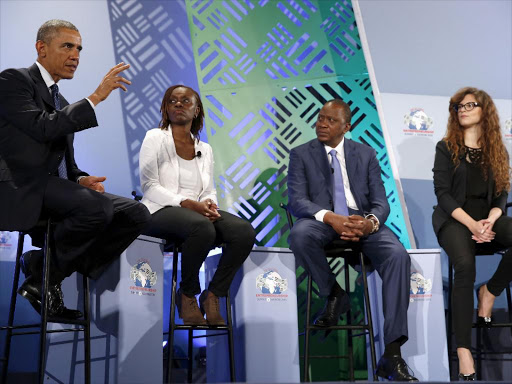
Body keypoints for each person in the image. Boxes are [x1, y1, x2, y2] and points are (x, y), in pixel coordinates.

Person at [0, 20, 151, 319]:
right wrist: (96, 97)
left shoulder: (63, 101)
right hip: (22, 186)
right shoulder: (13, 81)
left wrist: (80, 178)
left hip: (53, 189)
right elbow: (42, 128)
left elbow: (63, 162)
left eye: (79, 48)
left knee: (136, 214)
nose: (76, 55)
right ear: (41, 48)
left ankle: (45, 272)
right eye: (67, 46)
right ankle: (46, 276)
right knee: (96, 210)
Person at [287, 99, 417, 381]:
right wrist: (331, 217)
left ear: (346, 126)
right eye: (320, 118)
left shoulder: (366, 153)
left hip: (361, 222)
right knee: (298, 234)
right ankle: (334, 293)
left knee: (397, 255)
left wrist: (369, 224)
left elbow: (381, 202)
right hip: (323, 222)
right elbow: (297, 202)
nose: (322, 123)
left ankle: (392, 354)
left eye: (330, 120)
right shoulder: (301, 154)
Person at [139, 85, 256, 325]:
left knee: (243, 231)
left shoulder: (205, 149)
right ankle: (187, 292)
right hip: (159, 211)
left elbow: (208, 189)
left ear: (196, 109)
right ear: (165, 108)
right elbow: (149, 186)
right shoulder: (155, 137)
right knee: (202, 227)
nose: (179, 104)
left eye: (185, 101)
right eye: (172, 101)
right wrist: (186, 203)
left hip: (196, 214)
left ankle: (213, 293)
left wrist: (209, 204)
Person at [432, 87, 512, 381]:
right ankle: (463, 350)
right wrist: (472, 225)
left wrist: (490, 220)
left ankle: (489, 292)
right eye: (458, 107)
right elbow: (443, 195)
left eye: (469, 105)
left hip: (486, 218)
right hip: (454, 219)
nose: (462, 110)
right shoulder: (446, 147)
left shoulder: (497, 150)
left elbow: (502, 194)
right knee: (465, 266)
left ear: (484, 110)